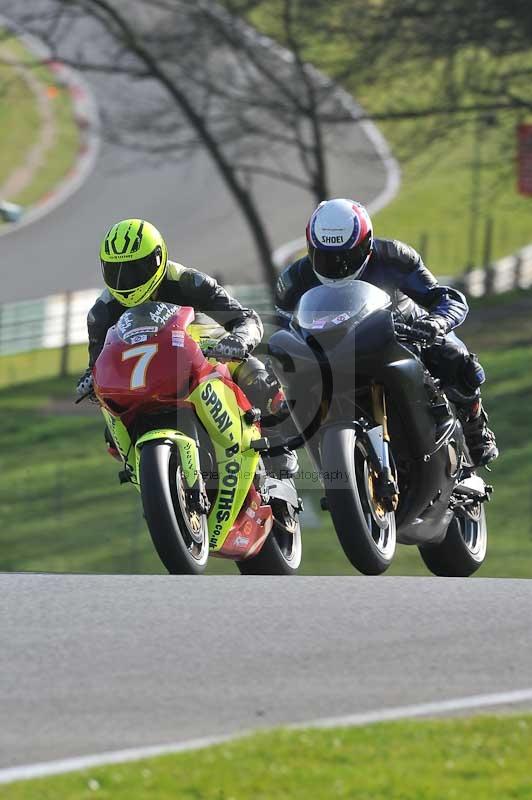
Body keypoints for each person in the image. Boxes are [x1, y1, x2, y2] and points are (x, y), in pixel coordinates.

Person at [274, 198, 498, 467]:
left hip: (399, 332)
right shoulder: (295, 279)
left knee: (455, 355)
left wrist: (436, 323)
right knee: (279, 407)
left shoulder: (395, 258)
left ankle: (475, 430)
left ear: (366, 244)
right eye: (325, 257)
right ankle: (287, 464)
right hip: (330, 350)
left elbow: (444, 298)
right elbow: (282, 327)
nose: (337, 266)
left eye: (345, 257)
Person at [76, 218, 297, 475]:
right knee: (110, 433)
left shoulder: (187, 281)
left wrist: (238, 340)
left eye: (135, 270)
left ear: (157, 259)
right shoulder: (102, 312)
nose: (126, 281)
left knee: (256, 375)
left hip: (207, 354)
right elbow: (98, 363)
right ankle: (149, 479)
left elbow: (246, 318)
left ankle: (276, 445)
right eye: (116, 272)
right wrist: (90, 380)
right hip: (148, 376)